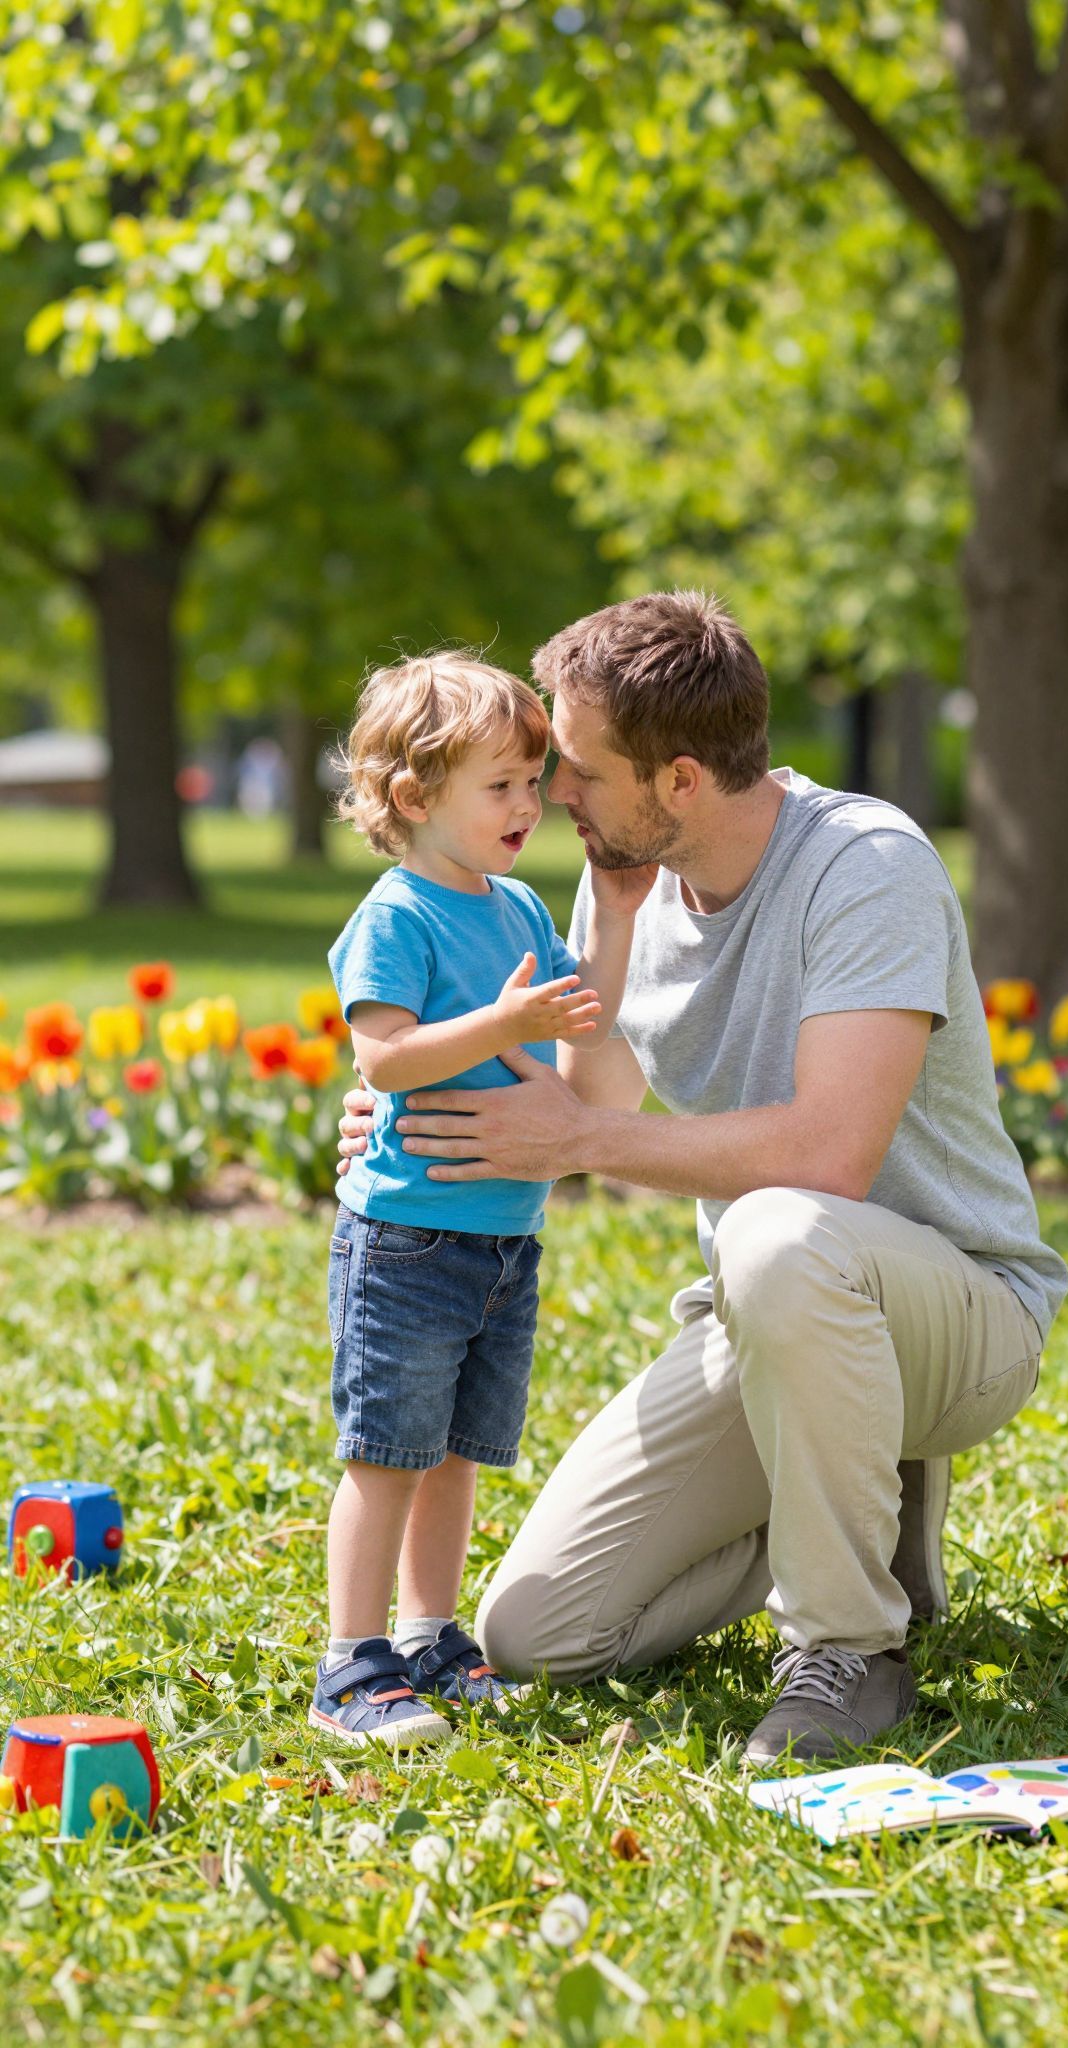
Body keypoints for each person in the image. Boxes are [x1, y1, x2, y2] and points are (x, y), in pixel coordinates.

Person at [337, 594, 1068, 1765]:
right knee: (539, 1629)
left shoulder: (866, 866)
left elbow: (830, 1154)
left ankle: (846, 1646)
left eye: (573, 768)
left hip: (955, 1308)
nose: (550, 793)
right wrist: (411, 1110)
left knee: (779, 1233)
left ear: (678, 779)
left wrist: (569, 1140)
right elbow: (591, 1100)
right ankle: (853, 1503)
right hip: (767, 1315)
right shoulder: (620, 878)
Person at [313, 652, 647, 1750]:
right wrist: (506, 1028)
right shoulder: (396, 914)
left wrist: (615, 914)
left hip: (504, 1239)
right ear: (416, 798)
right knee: (385, 1454)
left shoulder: (513, 905)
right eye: (500, 783)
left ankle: (431, 1637)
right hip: (409, 1236)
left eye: (533, 777)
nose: (529, 803)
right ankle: (352, 1665)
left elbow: (580, 1014)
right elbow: (387, 1059)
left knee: (457, 1452)